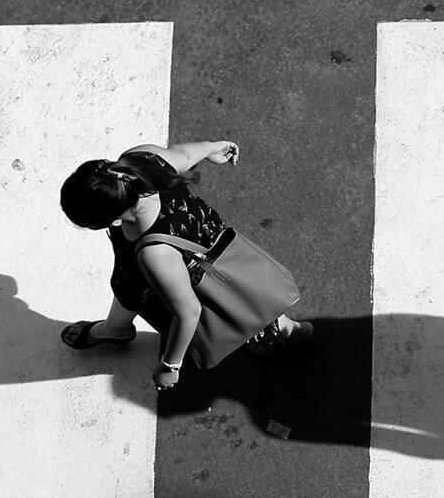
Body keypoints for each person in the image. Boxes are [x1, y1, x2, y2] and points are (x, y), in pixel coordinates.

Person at [57, 141, 311, 391]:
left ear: (112, 221)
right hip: (197, 239)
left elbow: (188, 312)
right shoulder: (140, 159)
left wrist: (170, 365)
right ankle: (116, 328)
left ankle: (282, 331)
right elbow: (185, 155)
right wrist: (213, 147)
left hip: (191, 270)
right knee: (128, 284)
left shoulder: (154, 254)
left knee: (235, 301)